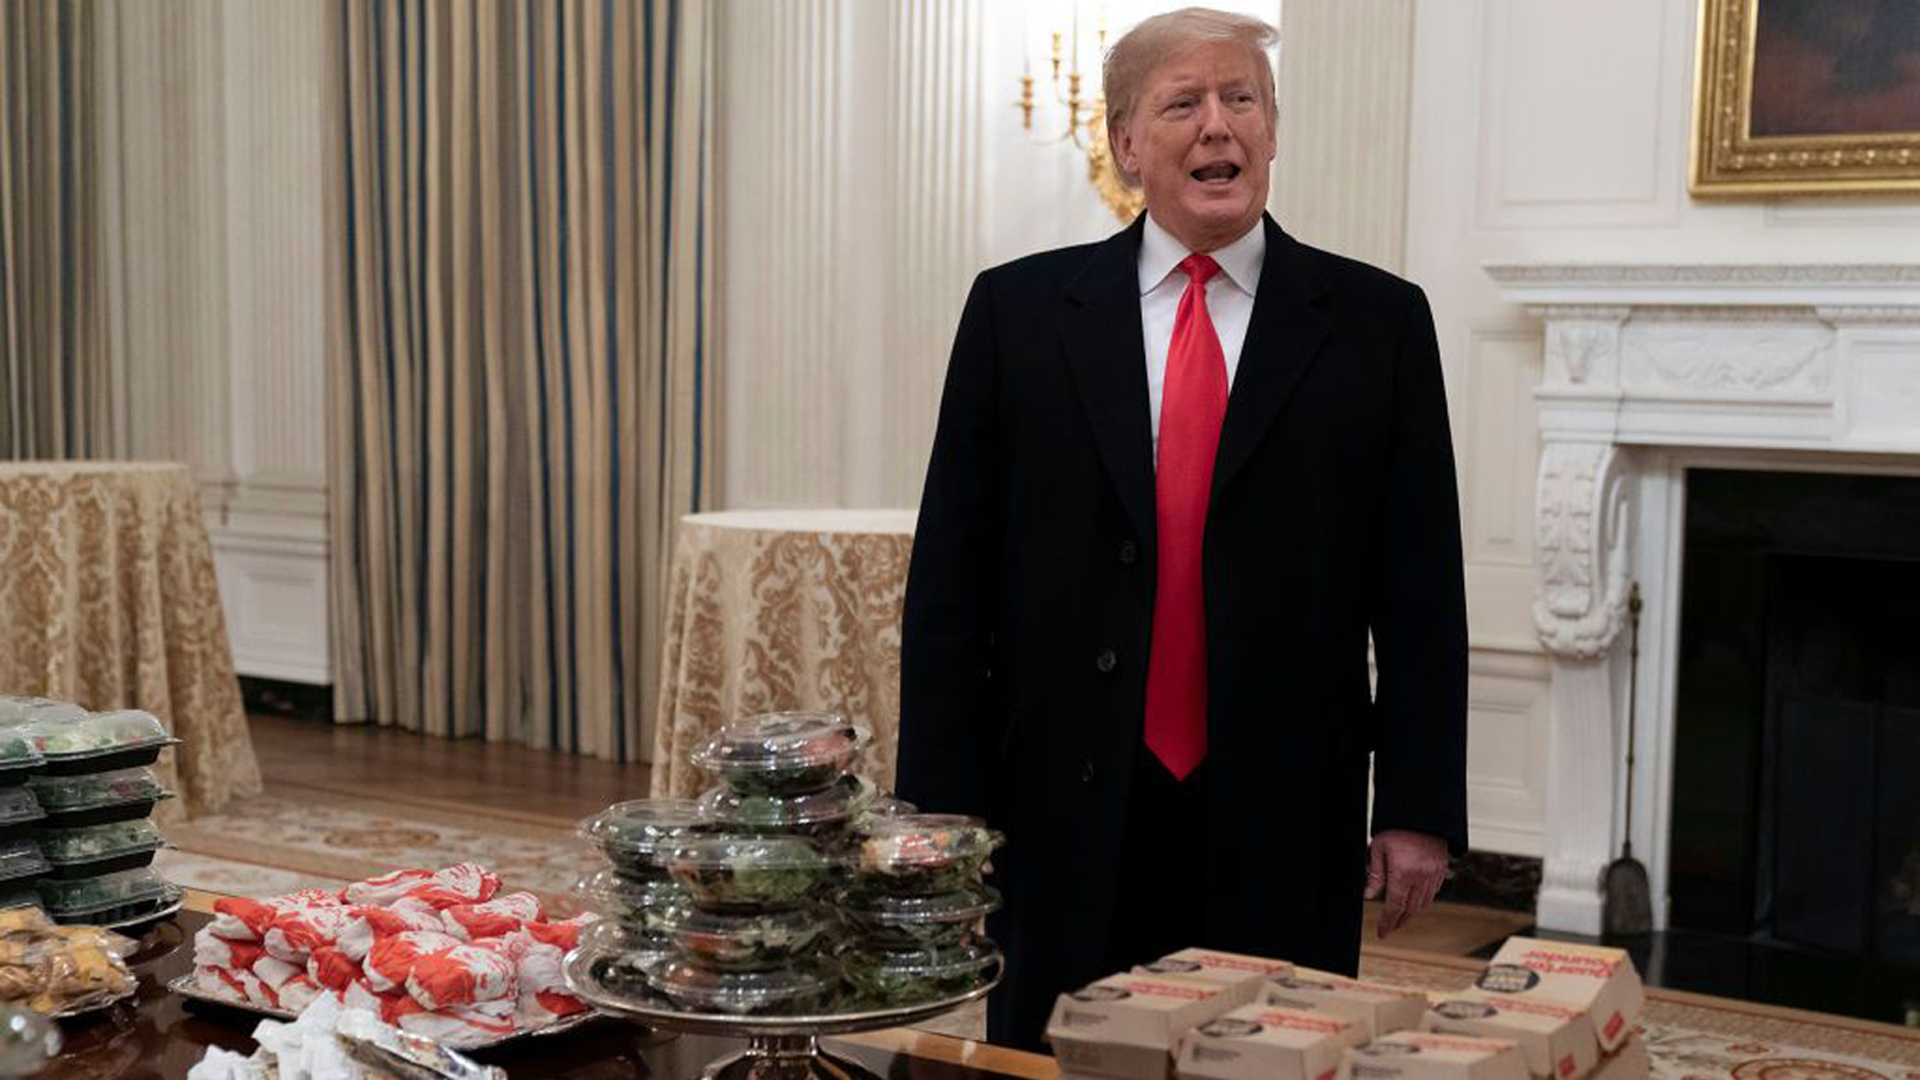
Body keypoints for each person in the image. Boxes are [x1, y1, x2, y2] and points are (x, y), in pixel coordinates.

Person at [895, 7, 1467, 1051]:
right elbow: (950, 586)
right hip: (1063, 802)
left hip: (1287, 803)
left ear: (1274, 128)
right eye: (1184, 104)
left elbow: (1422, 588)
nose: (1218, 126)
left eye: (1241, 99)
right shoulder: (1016, 315)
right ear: (1124, 143)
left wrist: (1419, 806)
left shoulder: (1380, 323)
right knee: (1055, 1057)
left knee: (1269, 1061)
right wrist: (939, 811)